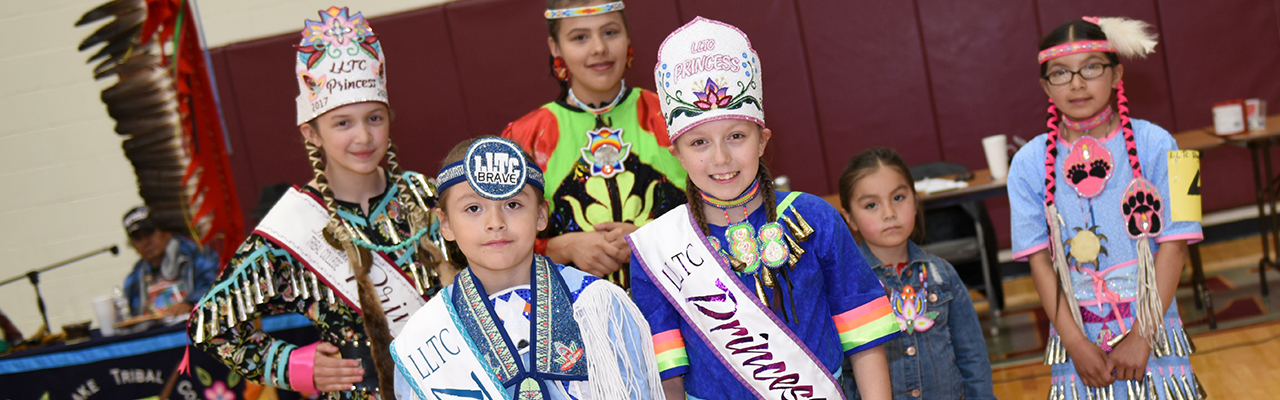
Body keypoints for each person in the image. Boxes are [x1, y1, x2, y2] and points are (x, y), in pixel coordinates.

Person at [186, 7, 452, 399]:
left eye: (374, 118)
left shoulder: (429, 198)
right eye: (342, 123)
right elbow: (208, 324)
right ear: (312, 133)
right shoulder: (294, 228)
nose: (363, 136)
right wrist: (293, 365)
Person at [627, 17, 897, 400]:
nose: (721, 158)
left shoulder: (815, 219)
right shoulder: (659, 249)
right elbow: (666, 371)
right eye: (699, 143)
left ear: (762, 141)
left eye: (736, 136)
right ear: (677, 156)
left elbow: (865, 338)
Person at [1008, 16, 1207, 398]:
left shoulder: (1163, 143)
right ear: (1045, 86)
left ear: (1117, 74)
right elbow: (1038, 261)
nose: (1077, 83)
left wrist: (1142, 335)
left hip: (1153, 326)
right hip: (1076, 332)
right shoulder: (1027, 163)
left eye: (1091, 68)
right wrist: (1076, 345)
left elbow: (1177, 245)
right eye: (1060, 73)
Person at [391, 137, 663, 400]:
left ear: (541, 214)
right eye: (474, 208)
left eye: (512, 204)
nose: (495, 222)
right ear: (446, 223)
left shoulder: (595, 305)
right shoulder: (425, 339)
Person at [502, 0, 687, 287]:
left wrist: (648, 241)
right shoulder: (524, 138)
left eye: (610, 32)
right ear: (556, 48)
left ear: (627, 37)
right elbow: (499, 237)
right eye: (580, 37)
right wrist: (562, 248)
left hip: (680, 306)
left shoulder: (673, 118)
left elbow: (722, 210)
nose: (599, 47)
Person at [838, 148, 995, 400]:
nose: (889, 213)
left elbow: (972, 355)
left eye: (898, 198)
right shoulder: (848, 288)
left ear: (915, 200)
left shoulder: (943, 275)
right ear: (850, 219)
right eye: (871, 205)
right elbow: (843, 372)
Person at [121, 206, 219, 318]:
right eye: (138, 238)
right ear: (133, 245)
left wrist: (190, 303)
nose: (145, 242)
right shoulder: (134, 279)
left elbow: (214, 284)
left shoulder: (197, 255)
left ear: (166, 231)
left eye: (149, 233)